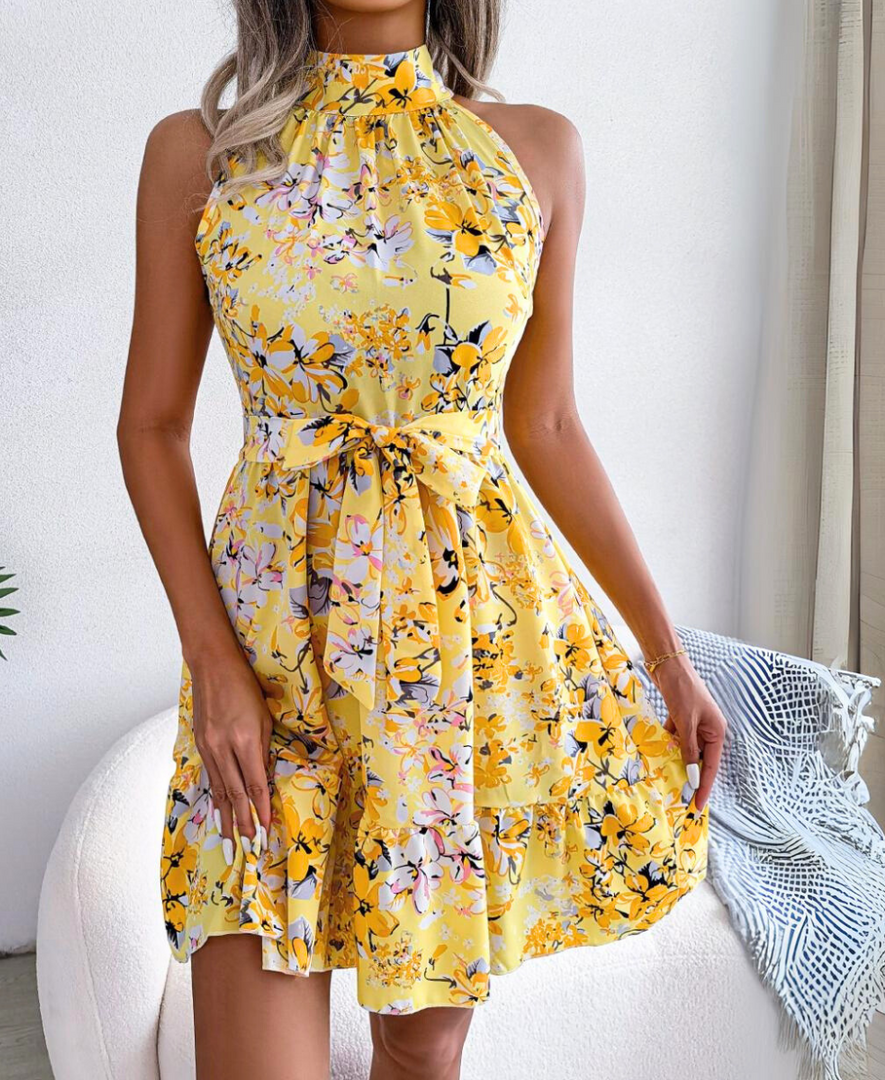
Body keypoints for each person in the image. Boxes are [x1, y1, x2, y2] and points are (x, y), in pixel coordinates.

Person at [117, 2, 727, 1077]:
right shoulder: (203, 152)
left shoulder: (535, 150)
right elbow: (152, 427)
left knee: (420, 1052)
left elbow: (546, 424)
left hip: (457, 664)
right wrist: (214, 665)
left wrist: (665, 654)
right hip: (270, 653)